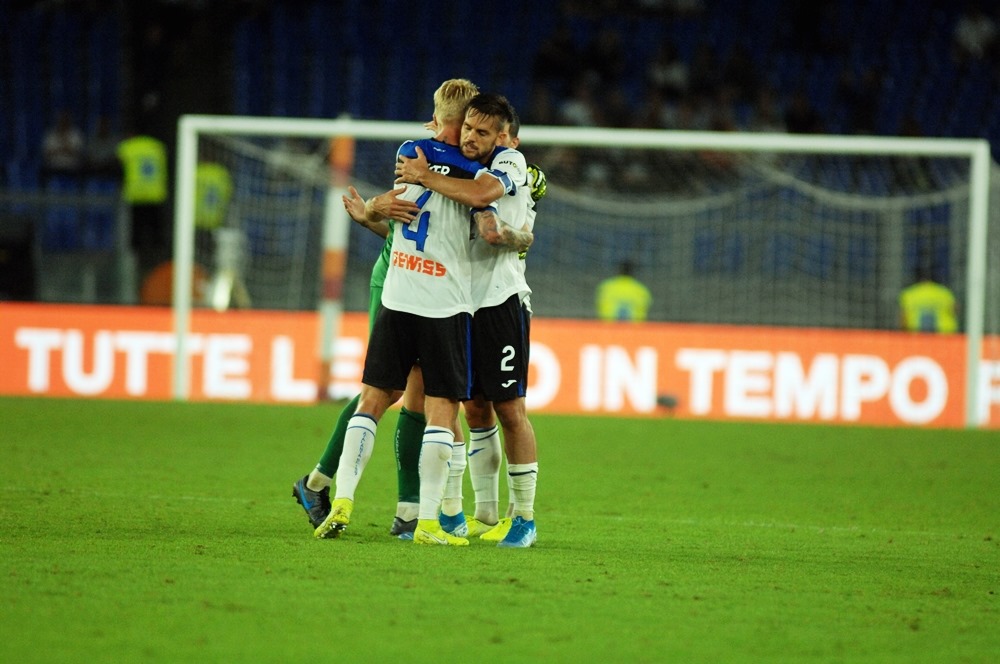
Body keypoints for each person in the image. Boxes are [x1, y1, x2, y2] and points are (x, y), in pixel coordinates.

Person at [313, 78, 507, 547]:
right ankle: (424, 521)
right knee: (439, 411)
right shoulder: (474, 171)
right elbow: (483, 198)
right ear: (462, 125)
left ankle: (342, 497)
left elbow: (399, 209)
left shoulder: (409, 152)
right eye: (473, 129)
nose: (476, 138)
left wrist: (374, 207)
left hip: (398, 293)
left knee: (373, 400)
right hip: (444, 305)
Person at [395, 94, 540, 548]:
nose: (472, 138)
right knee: (462, 405)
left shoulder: (512, 163)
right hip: (455, 300)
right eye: (468, 129)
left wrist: (424, 175)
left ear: (502, 136)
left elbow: (482, 197)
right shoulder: (453, 160)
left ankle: (525, 519)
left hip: (500, 301)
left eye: (482, 132)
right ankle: (462, 513)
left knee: (509, 409)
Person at [117, 132, 169, 273]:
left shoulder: (127, 147)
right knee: (156, 236)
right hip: (155, 196)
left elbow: (117, 169)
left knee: (136, 236)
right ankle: (158, 266)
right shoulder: (158, 147)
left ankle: (135, 269)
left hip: (137, 196)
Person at [899, 267, 958, 333]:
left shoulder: (909, 293)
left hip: (916, 335)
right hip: (944, 335)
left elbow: (904, 318)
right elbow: (954, 311)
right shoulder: (944, 292)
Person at [41, 110, 85, 183]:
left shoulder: (76, 134)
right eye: (61, 120)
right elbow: (46, 153)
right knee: (42, 170)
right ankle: (43, 192)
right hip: (54, 164)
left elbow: (78, 153)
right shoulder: (51, 134)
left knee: (82, 170)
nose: (63, 122)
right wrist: (65, 149)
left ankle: (81, 193)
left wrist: (59, 149)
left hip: (71, 165)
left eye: (66, 120)